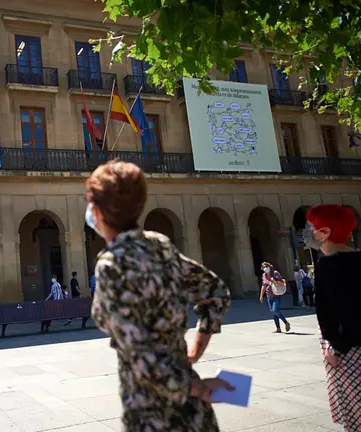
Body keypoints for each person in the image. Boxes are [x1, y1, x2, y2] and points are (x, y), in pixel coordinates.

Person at [86, 160, 233, 432]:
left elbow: (141, 357)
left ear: (96, 211)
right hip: (196, 415)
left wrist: (196, 387)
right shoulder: (159, 244)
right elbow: (215, 290)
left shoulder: (111, 266)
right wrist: (196, 349)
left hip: (152, 414)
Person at [305, 204, 361, 431]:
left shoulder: (327, 265)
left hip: (349, 355)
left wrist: (335, 348)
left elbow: (329, 314)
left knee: (360, 419)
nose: (307, 232)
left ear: (325, 232)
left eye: (311, 227)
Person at [259, 262, 291, 333]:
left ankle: (286, 322)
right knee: (273, 312)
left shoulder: (275, 273)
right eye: (263, 267)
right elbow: (264, 285)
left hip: (277, 295)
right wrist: (261, 295)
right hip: (269, 295)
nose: (265, 268)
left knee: (274, 310)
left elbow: (282, 283)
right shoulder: (264, 275)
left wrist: (275, 281)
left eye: (266, 266)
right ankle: (278, 328)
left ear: (270, 266)